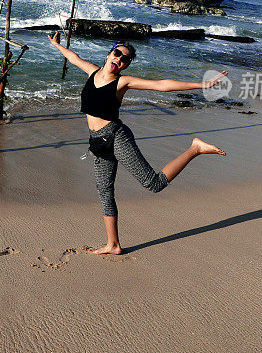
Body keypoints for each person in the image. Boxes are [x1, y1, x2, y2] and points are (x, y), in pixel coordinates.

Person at [48, 31, 227, 255]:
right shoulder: (92, 72)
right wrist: (57, 45)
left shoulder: (123, 82)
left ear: (126, 66)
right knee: (104, 191)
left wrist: (202, 85)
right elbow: (73, 57)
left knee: (154, 184)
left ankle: (195, 148)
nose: (120, 60)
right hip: (97, 142)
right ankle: (113, 244)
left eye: (125, 59)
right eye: (117, 54)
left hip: (116, 137)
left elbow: (162, 85)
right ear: (109, 54)